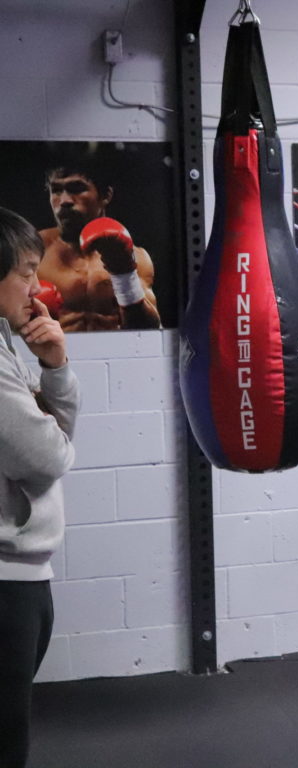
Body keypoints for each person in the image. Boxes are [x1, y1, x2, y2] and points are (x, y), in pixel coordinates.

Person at [0, 207, 79, 768]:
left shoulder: (7, 346)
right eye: (26, 271)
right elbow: (48, 456)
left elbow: (53, 434)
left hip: (21, 574)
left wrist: (54, 368)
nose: (37, 286)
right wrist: (55, 439)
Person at [38, 163, 161, 331]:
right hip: (53, 356)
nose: (65, 201)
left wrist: (124, 275)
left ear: (106, 195)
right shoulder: (32, 251)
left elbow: (147, 331)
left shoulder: (136, 256)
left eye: (77, 188)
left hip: (113, 354)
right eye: (56, 190)